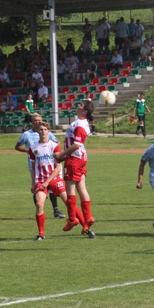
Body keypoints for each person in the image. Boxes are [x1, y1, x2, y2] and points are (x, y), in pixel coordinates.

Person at [56, 100, 98, 239]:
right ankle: (88, 218)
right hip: (79, 158)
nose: (78, 105)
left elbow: (76, 145)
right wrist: (64, 156)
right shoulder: (80, 123)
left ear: (85, 111)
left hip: (75, 159)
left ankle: (72, 219)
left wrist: (62, 155)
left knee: (70, 190)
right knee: (82, 188)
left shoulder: (80, 125)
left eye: (81, 105)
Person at [15, 113, 66, 220]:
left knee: (52, 188)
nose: (37, 122)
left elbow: (57, 142)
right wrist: (29, 151)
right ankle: (39, 210)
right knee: (36, 188)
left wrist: (57, 154)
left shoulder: (47, 132)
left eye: (39, 120)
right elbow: (17, 146)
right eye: (35, 120)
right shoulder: (27, 134)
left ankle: (56, 209)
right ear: (32, 121)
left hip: (49, 165)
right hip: (34, 165)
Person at [28, 122, 73, 240]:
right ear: (37, 131)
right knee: (39, 204)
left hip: (54, 178)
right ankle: (41, 234)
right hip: (40, 180)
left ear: (48, 131)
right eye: (41, 129)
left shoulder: (54, 146)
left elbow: (58, 167)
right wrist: (33, 183)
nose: (43, 131)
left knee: (69, 203)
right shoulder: (33, 148)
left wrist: (47, 181)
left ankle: (84, 225)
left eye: (45, 129)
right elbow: (33, 167)